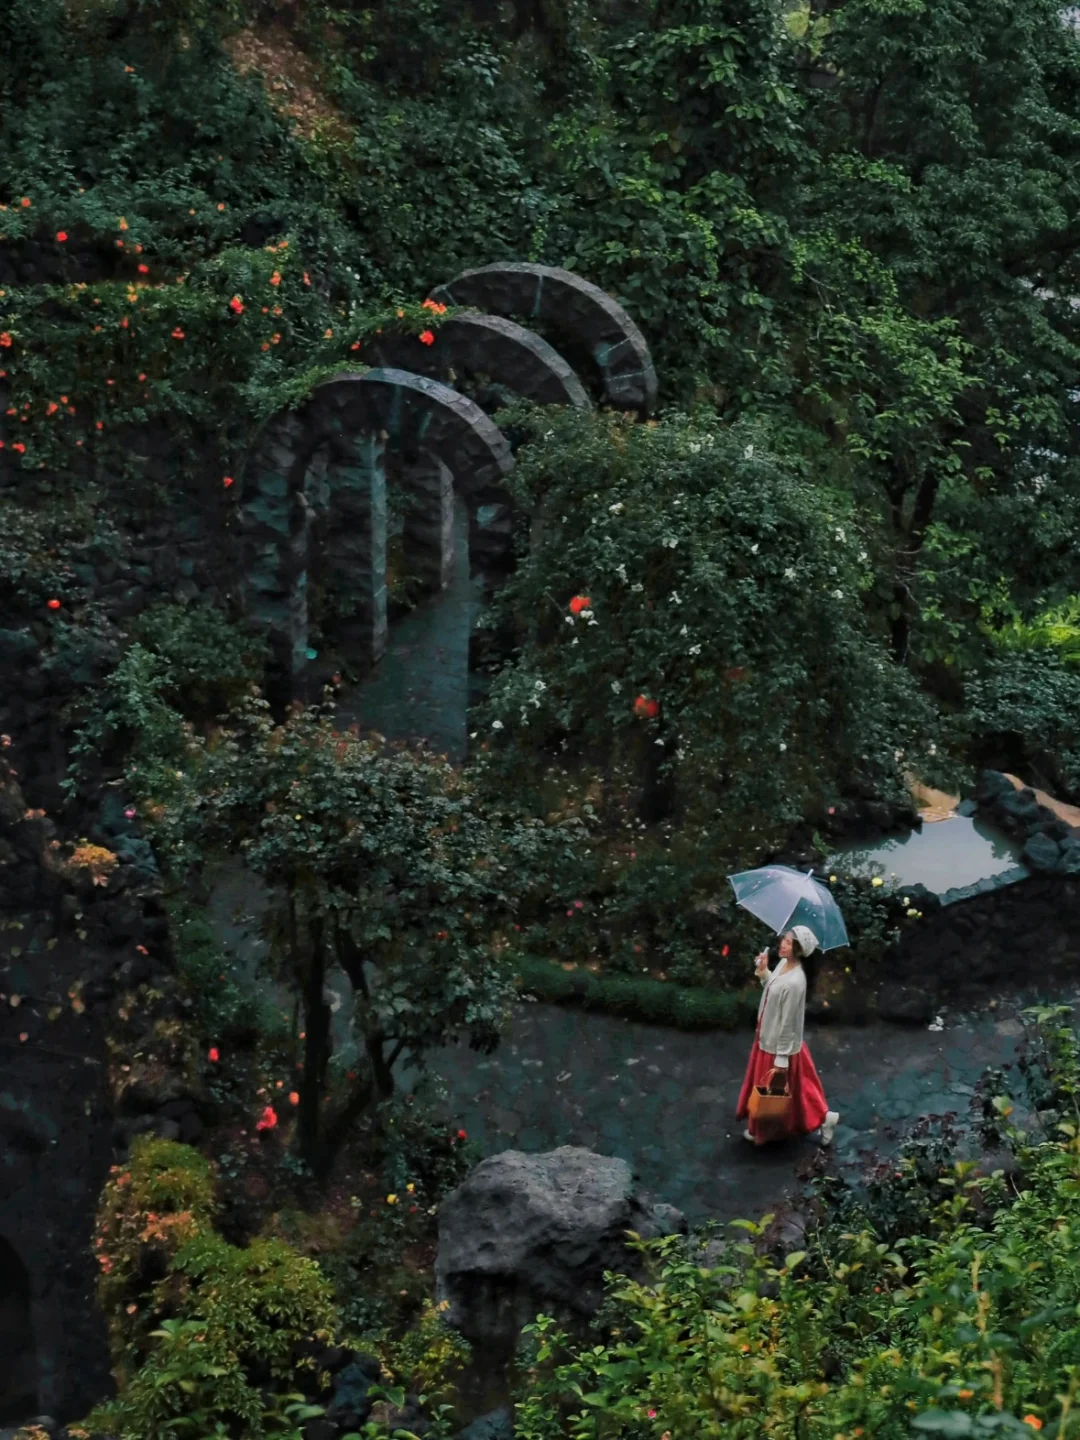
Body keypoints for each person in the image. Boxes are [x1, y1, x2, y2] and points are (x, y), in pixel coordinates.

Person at [735, 925, 840, 1147]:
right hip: (768, 1036)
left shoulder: (796, 982)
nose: (783, 943)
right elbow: (773, 991)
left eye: (789, 942)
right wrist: (764, 971)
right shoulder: (784, 964)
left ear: (800, 950)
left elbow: (788, 1021)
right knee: (800, 1088)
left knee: (774, 1090)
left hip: (777, 1044)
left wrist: (781, 1057)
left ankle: (763, 1132)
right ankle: (825, 1117)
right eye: (785, 938)